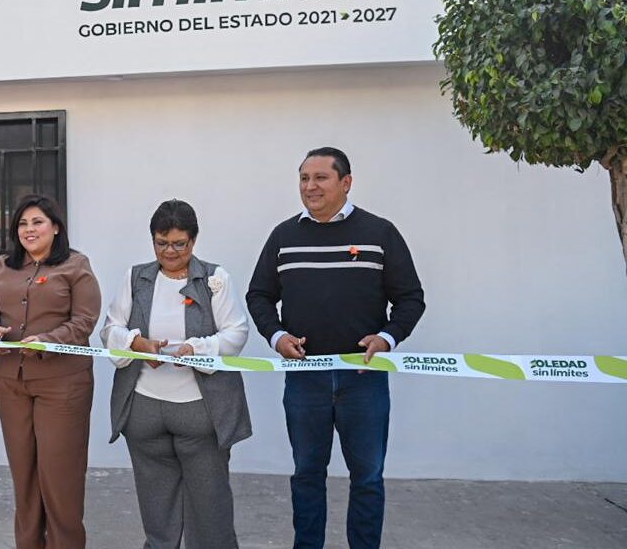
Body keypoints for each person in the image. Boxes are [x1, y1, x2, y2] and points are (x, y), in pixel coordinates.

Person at [246, 147, 425, 549]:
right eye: (304, 178)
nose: (310, 186)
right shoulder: (283, 237)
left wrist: (387, 337)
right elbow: (258, 295)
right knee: (307, 473)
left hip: (363, 378)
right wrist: (277, 337)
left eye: (320, 178)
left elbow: (411, 298)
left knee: (367, 477)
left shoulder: (380, 234)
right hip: (304, 378)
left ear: (346, 183)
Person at [101, 199, 252, 549]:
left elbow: (236, 333)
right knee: (156, 509)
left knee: (210, 508)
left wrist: (196, 349)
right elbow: (110, 331)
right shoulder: (135, 277)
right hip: (144, 410)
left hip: (200, 410)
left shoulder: (215, 278)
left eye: (178, 244)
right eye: (161, 242)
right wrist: (136, 343)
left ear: (194, 241)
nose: (169, 251)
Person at [0, 194, 101, 549]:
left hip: (63, 384)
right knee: (24, 475)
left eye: (37, 222)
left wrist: (48, 339)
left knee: (59, 476)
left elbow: (85, 321)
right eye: (22, 224)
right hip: (10, 382)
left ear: (56, 227)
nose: (28, 230)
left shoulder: (76, 266)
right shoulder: (4, 266)